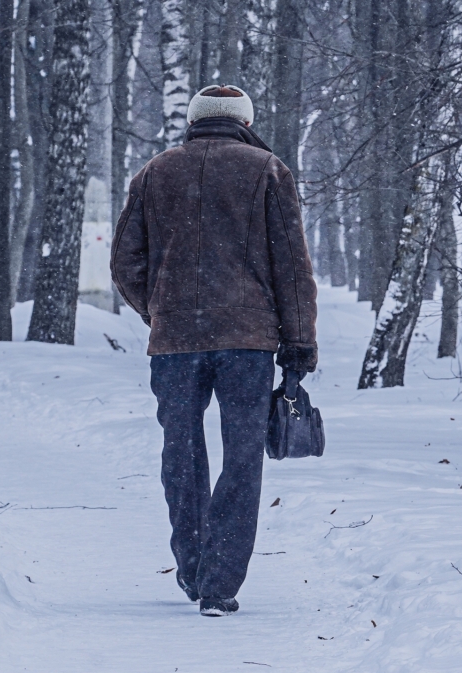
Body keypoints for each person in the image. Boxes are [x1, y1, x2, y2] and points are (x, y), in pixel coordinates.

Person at [111, 85, 319, 617]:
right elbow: (292, 265)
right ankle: (219, 584)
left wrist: (157, 309)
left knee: (181, 451)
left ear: (194, 121)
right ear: (245, 123)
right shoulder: (267, 169)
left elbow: (125, 261)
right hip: (247, 341)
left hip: (176, 340)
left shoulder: (156, 172)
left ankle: (192, 564)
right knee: (243, 456)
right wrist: (299, 341)